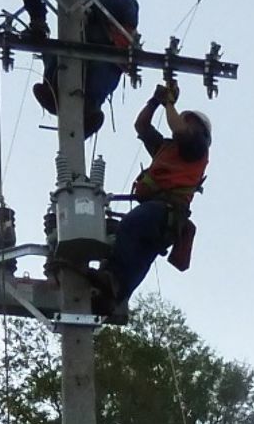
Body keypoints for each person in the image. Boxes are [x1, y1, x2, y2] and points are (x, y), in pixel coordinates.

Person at [88, 83, 211, 316]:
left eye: (188, 121)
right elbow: (142, 126)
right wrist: (154, 101)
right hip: (160, 217)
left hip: (166, 211)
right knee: (139, 255)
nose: (182, 123)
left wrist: (169, 103)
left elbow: (179, 129)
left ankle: (113, 282)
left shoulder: (196, 147)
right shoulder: (168, 148)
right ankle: (112, 295)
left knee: (130, 226)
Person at [32, 0, 140, 137]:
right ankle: (52, 89)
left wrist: (91, 3)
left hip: (107, 57)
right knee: (52, 49)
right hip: (77, 51)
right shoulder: (78, 8)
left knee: (101, 75)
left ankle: (90, 111)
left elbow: (124, 11)